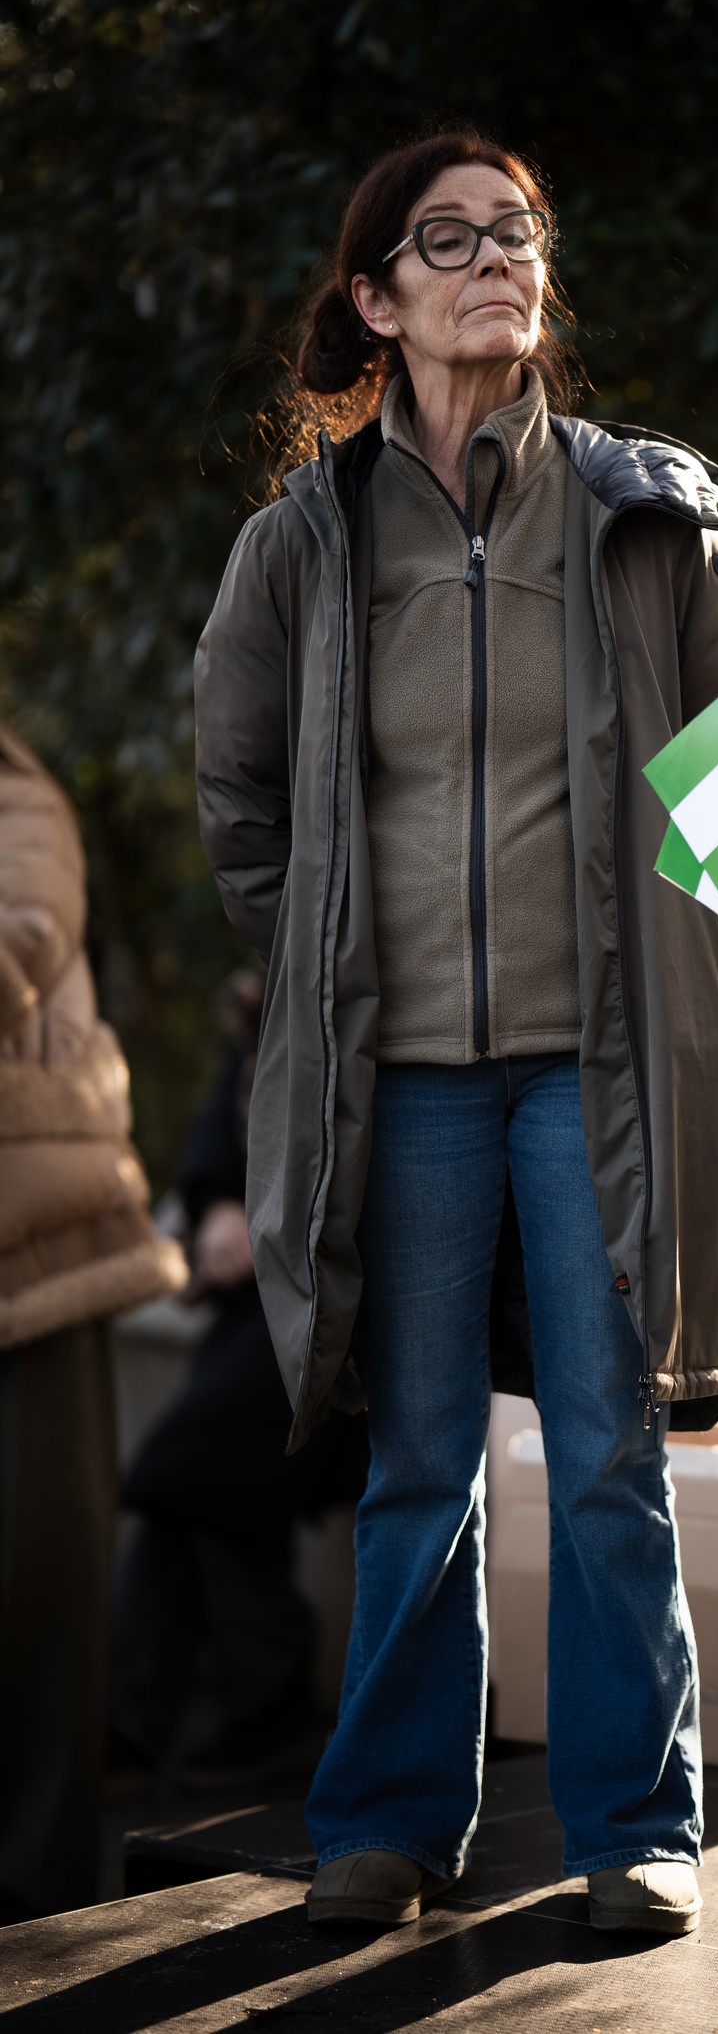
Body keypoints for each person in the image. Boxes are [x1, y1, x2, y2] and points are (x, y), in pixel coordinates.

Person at [193, 129, 718, 1933]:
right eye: (453, 241)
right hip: (403, 1083)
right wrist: (333, 962)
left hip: (599, 1073)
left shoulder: (645, 518)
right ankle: (384, 1820)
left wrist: (674, 979)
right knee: (418, 1458)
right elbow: (239, 804)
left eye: (518, 232)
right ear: (378, 300)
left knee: (606, 1452)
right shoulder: (302, 540)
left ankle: (636, 1826)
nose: (501, 259)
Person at [0, 718, 185, 1922]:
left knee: (40, 1605)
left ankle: (41, 1920)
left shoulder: (17, 796)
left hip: (43, 1259)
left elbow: (21, 942)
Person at [110, 967, 369, 1790]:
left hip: (338, 1302)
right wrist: (221, 1203)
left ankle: (196, 1715)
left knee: (190, 1474)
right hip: (255, 1308)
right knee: (188, 1490)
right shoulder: (268, 993)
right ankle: (191, 1716)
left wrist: (263, 1220)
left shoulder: (362, 982)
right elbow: (223, 1141)